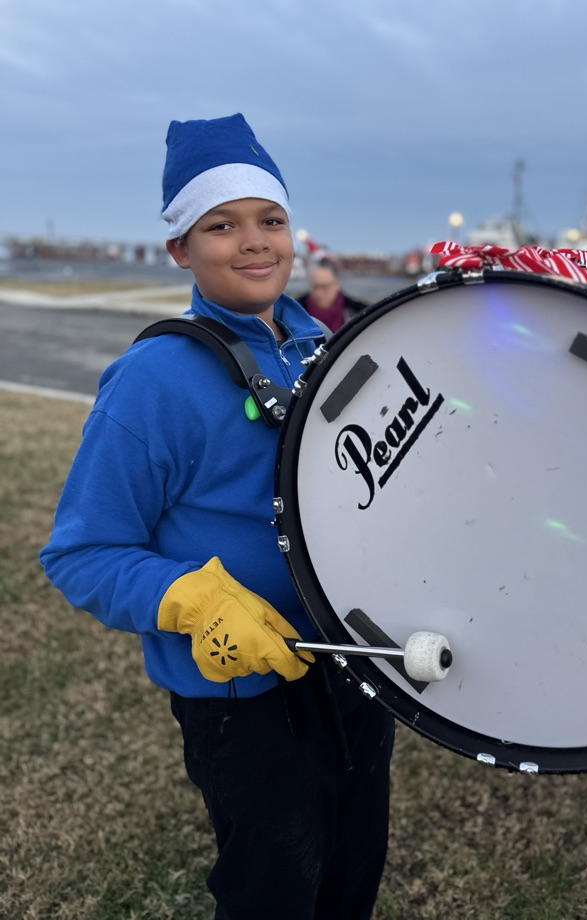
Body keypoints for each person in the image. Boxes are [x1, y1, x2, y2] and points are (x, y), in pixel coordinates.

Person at [39, 113, 395, 920]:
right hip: (243, 702)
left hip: (352, 663)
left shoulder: (318, 344)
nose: (254, 242)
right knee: (273, 891)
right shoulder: (153, 379)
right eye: (221, 225)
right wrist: (191, 601)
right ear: (180, 250)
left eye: (271, 220)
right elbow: (80, 553)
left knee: (351, 874)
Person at [296, 256, 368, 333]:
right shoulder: (294, 311)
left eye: (325, 287)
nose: (319, 292)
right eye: (315, 287)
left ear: (337, 284)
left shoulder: (360, 313)